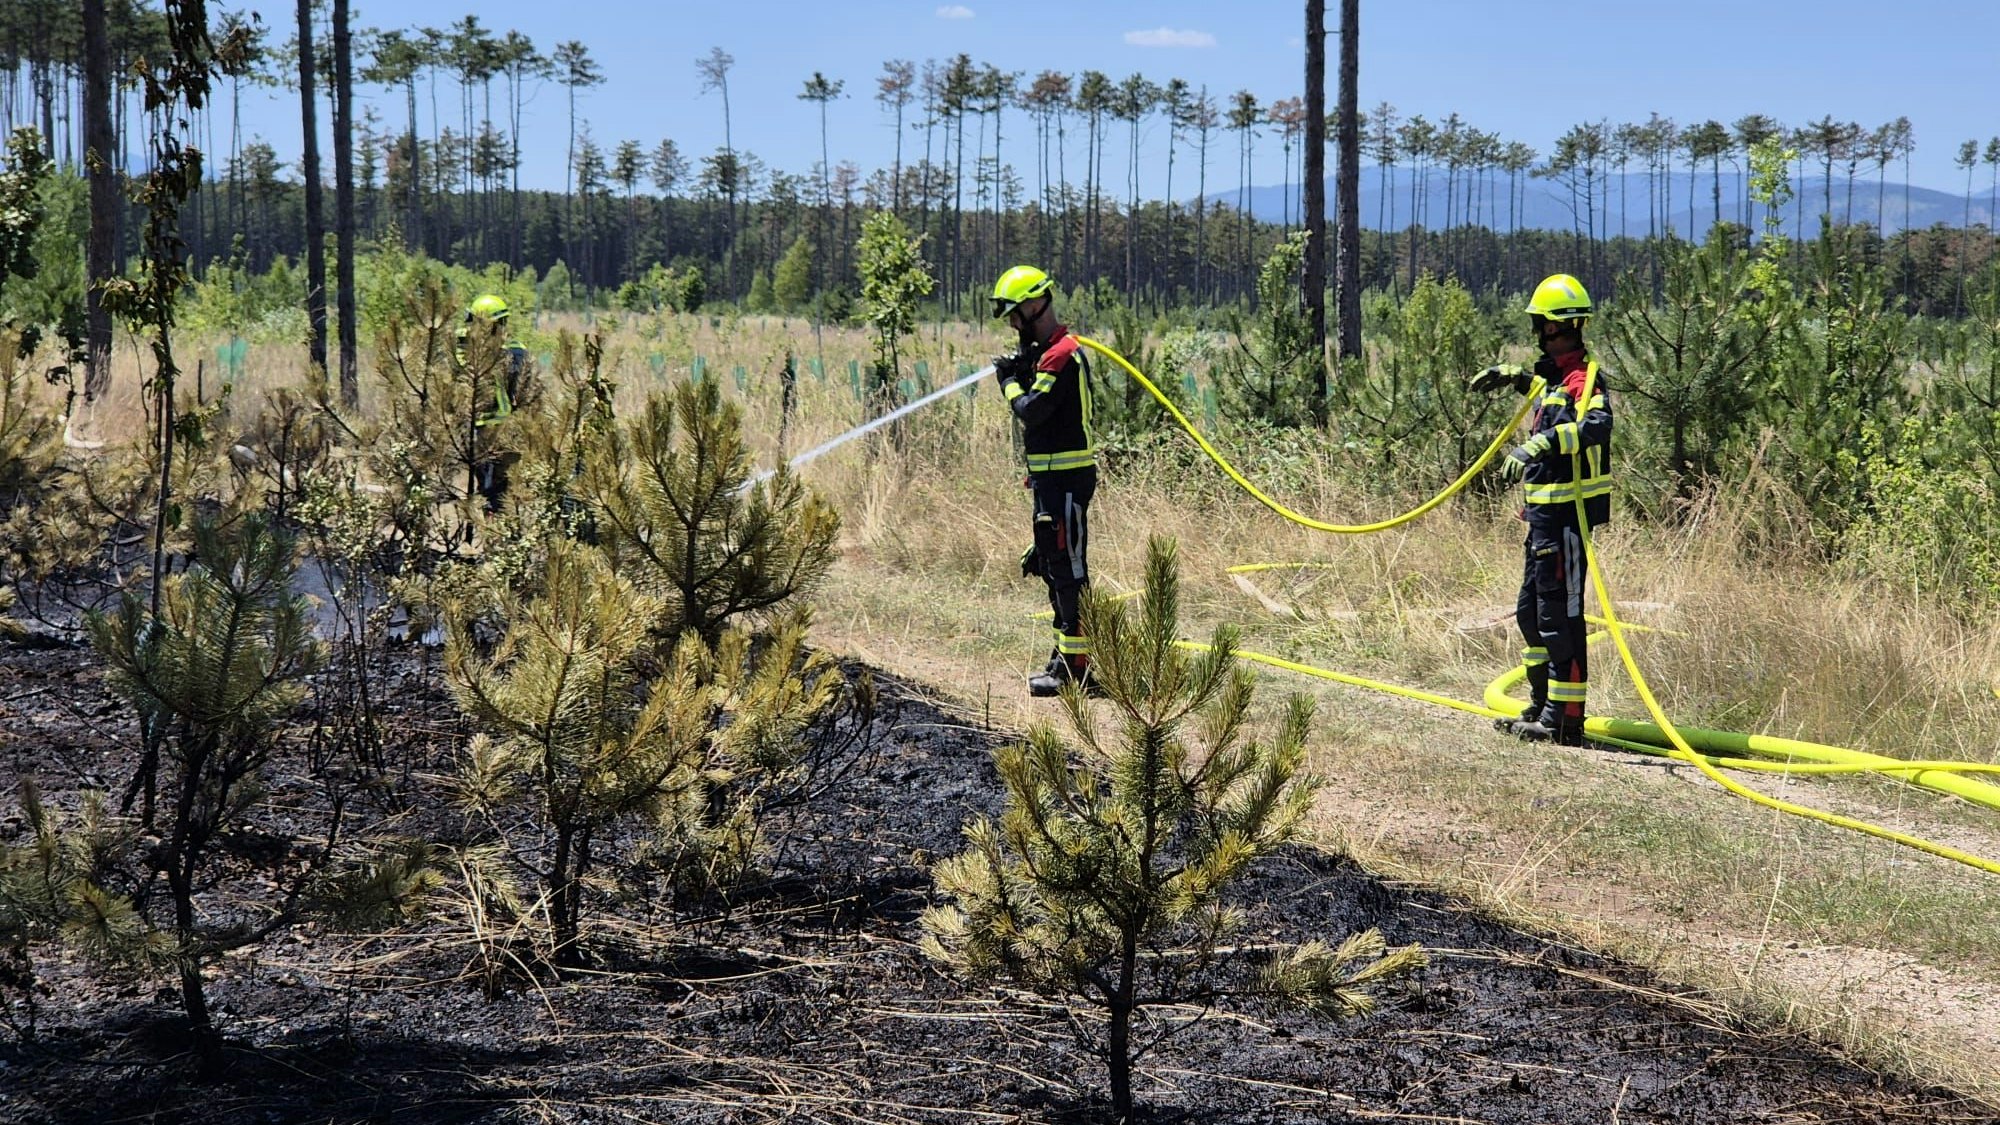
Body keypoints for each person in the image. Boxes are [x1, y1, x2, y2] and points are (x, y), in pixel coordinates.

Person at [1470, 273, 1614, 746]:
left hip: (1567, 521)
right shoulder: (1557, 377)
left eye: (1542, 326)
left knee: (1561, 618)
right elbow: (1547, 388)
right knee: (1530, 615)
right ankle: (1539, 703)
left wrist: (1539, 445)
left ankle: (1564, 719)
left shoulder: (1587, 377)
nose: (1538, 335)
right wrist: (1512, 376)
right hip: (1541, 522)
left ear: (1559, 327)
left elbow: (1594, 425)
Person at [991, 265, 1100, 697]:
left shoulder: (1060, 354)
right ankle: (1065, 657)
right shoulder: (1046, 355)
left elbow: (1033, 410)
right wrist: (1020, 369)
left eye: (1016, 314)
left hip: (1066, 480)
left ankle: (1077, 670)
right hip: (1050, 481)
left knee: (1069, 570)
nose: (1014, 324)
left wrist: (1008, 385)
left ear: (1037, 305)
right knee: (1053, 567)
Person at [456, 293, 532, 512]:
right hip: (493, 427)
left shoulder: (469, 348)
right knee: (495, 488)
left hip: (491, 428)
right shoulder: (505, 350)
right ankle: (498, 533)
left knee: (497, 488)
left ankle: (500, 533)